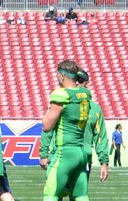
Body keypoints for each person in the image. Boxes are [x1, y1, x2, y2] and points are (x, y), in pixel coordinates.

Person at [39, 60, 97, 201]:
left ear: (63, 76)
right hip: (81, 152)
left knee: (50, 194)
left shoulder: (61, 94)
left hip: (65, 152)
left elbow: (46, 126)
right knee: (81, 195)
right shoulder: (85, 94)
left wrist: (48, 109)